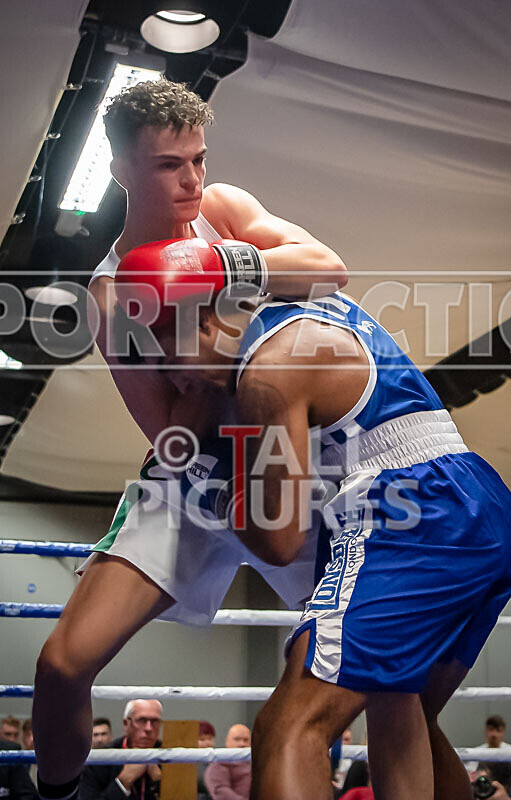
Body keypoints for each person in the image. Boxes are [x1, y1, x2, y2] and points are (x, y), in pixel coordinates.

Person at [32, 77, 346, 800]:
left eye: (198, 159)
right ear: (121, 171)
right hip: (193, 480)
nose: (191, 180)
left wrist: (215, 274)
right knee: (61, 665)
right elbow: (167, 436)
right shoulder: (113, 293)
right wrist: (213, 374)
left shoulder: (223, 213)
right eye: (170, 166)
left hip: (280, 467)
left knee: (365, 662)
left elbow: (328, 269)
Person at [127, 270, 511, 800]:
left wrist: (208, 488)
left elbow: (280, 540)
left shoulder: (264, 372)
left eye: (167, 362)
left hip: (409, 511)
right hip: (479, 497)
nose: (178, 387)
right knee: (403, 709)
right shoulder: (305, 304)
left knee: (289, 727)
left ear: (202, 321)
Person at [79, 700, 162, 800]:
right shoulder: (99, 761)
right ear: (126, 724)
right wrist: (123, 782)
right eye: (142, 720)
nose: (149, 728)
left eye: (155, 721)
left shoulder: (170, 758)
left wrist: (160, 782)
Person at [203, 724, 251, 800]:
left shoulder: (257, 764)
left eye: (246, 740)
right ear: (227, 741)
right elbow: (221, 793)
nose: (242, 744)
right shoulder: (219, 763)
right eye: (237, 739)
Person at [197, 721, 215, 800]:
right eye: (202, 739)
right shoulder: (189, 762)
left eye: (210, 739)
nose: (207, 743)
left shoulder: (217, 759)